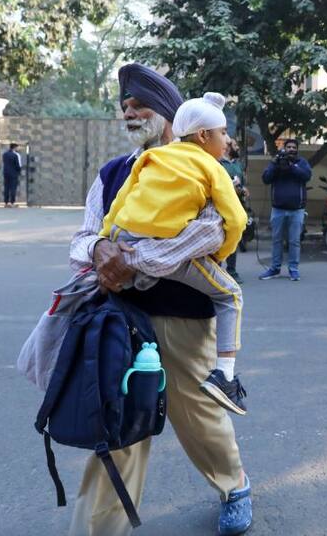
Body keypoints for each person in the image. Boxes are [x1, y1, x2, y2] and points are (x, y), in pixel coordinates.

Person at [68, 63, 251, 536]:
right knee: (119, 424)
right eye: (124, 107)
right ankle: (98, 529)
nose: (129, 113)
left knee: (197, 413)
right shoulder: (113, 173)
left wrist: (139, 258)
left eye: (139, 105)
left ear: (168, 112)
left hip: (185, 316)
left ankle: (234, 486)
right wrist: (100, 248)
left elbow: (213, 231)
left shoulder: (201, 165)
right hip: (119, 319)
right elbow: (81, 239)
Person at [100, 92, 250, 417]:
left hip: (126, 238)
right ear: (204, 135)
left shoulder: (154, 157)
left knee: (148, 268)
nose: (227, 140)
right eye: (223, 133)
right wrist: (221, 254)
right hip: (165, 249)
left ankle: (139, 274)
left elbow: (120, 203)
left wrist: (107, 238)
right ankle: (224, 374)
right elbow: (236, 220)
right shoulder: (212, 167)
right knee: (230, 296)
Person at [258, 138, 311, 281]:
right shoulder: (277, 163)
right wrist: (274, 164)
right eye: (289, 147)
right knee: (276, 240)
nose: (291, 149)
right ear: (284, 148)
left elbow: (306, 176)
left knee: (294, 241)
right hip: (278, 209)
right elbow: (266, 179)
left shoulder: (301, 163)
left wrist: (291, 166)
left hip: (297, 210)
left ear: (297, 149)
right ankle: (275, 269)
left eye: (294, 147)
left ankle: (293, 269)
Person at [220, 137, 249, 282]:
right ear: (227, 146)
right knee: (218, 239)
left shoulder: (238, 164)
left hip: (237, 206)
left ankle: (232, 271)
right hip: (221, 207)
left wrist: (243, 189)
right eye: (235, 145)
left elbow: (242, 182)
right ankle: (216, 271)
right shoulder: (218, 162)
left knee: (234, 239)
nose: (237, 148)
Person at [2, 143, 22, 207]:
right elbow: (17, 165)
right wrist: (19, 171)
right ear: (14, 148)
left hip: (6, 173)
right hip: (13, 173)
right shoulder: (15, 155)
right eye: (17, 147)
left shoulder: (4, 154)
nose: (17, 149)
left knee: (6, 187)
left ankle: (6, 202)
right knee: (13, 187)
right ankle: (12, 202)